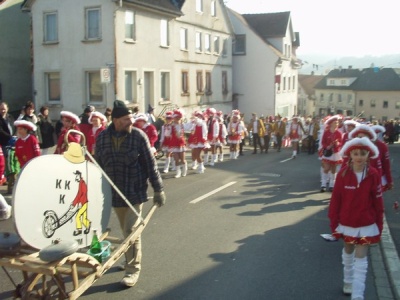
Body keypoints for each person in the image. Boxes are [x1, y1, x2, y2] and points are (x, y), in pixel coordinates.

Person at [95, 100, 166, 287]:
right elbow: (98, 167)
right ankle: (127, 258)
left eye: (131, 118)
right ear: (116, 120)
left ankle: (133, 270)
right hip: (114, 194)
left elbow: (151, 166)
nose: (130, 121)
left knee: (131, 231)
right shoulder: (102, 138)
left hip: (134, 192)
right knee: (125, 230)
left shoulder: (138, 136)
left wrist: (158, 189)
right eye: (126, 118)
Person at [328, 137, 383, 300]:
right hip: (347, 223)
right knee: (348, 251)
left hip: (366, 224)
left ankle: (358, 295)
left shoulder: (374, 174)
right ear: (350, 154)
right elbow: (335, 201)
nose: (359, 157)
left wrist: (379, 225)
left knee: (361, 258)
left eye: (363, 153)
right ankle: (348, 280)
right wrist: (334, 223)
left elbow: (378, 202)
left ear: (368, 155)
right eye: (356, 153)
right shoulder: (343, 174)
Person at [319, 115, 343, 192]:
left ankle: (332, 184)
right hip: (327, 153)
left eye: (337, 122)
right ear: (331, 124)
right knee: (326, 168)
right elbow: (323, 142)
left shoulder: (339, 133)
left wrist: (337, 144)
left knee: (333, 169)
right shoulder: (326, 132)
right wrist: (327, 146)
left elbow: (341, 143)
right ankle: (323, 184)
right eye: (335, 122)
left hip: (335, 153)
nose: (337, 124)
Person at [170, 109, 187, 178]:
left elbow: (191, 128)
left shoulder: (182, 125)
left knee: (182, 160)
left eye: (178, 118)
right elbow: (168, 134)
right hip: (174, 143)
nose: (177, 119)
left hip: (181, 143)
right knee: (176, 159)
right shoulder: (171, 126)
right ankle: (178, 172)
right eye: (176, 118)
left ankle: (184, 170)